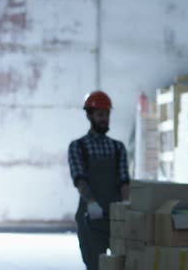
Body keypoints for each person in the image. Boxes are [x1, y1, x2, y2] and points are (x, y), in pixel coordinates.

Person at [68, 91, 130, 270]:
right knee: (95, 265)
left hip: (114, 217)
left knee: (123, 263)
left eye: (107, 114)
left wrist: (126, 207)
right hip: (91, 218)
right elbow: (80, 179)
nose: (105, 118)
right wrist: (92, 203)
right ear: (89, 115)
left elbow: (124, 180)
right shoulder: (78, 147)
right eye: (100, 114)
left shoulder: (118, 148)